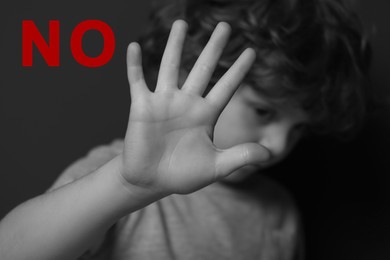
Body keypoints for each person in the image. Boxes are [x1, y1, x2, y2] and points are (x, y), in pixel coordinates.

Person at [0, 0, 371, 259]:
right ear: (191, 76)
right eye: (262, 111)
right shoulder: (115, 178)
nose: (277, 145)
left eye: (299, 130)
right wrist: (126, 187)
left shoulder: (279, 213)